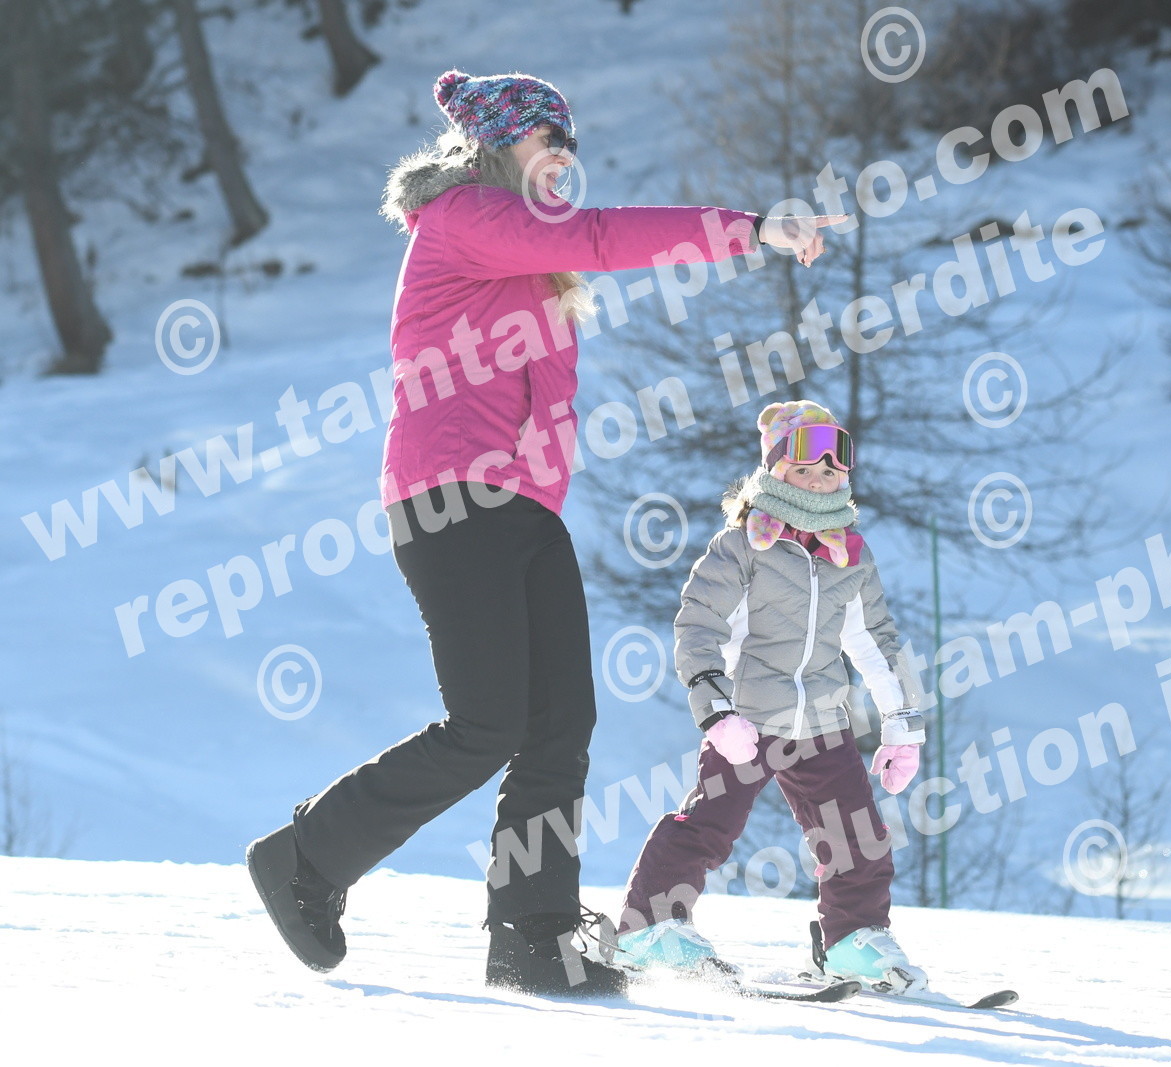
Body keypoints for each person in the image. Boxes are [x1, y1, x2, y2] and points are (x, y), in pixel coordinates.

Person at [245, 69, 846, 998]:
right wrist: (750, 228)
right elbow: (603, 236)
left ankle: (534, 935)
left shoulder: (527, 254)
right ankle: (305, 855)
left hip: (524, 507)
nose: (564, 156)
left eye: (571, 143)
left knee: (560, 723)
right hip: (451, 501)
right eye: (547, 139)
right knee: (486, 723)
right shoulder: (465, 218)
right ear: (498, 144)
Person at [612, 400, 932, 993]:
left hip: (822, 721)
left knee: (858, 836)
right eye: (803, 470)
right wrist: (716, 710)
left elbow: (877, 642)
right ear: (775, 471)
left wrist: (901, 726)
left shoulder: (849, 555)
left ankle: (852, 939)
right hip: (749, 719)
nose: (818, 481)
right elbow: (699, 626)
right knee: (710, 824)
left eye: (830, 472)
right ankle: (650, 926)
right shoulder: (740, 548)